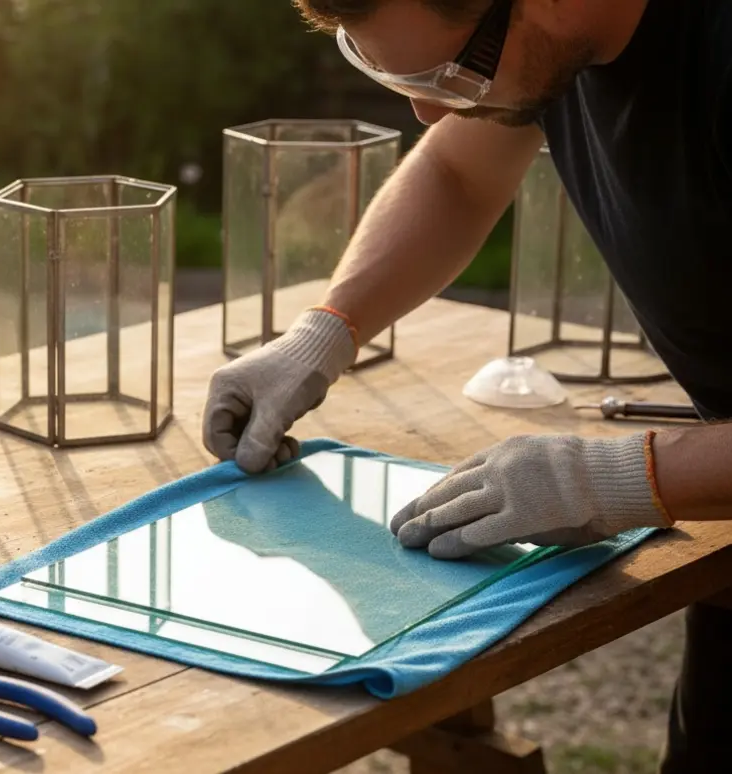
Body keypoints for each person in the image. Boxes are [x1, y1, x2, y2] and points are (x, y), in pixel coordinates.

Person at [200, 0, 732, 770]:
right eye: (379, 67)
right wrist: (328, 329)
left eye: (447, 73)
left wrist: (623, 476)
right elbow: (456, 169)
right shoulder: (555, 43)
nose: (426, 108)